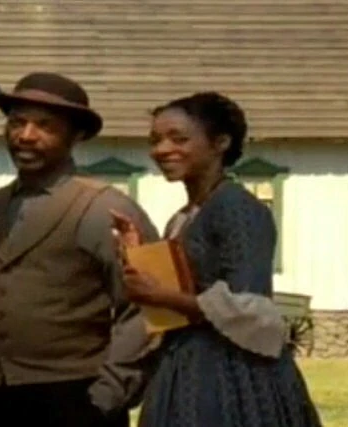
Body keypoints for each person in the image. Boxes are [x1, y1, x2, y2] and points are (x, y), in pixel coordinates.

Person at [0, 72, 159, 427]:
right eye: (17, 122)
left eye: (45, 126)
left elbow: (149, 311)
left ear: (75, 136)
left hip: (69, 392)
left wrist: (107, 395)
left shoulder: (107, 210)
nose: (25, 136)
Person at [110, 91, 322, 426]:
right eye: (155, 140)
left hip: (234, 372)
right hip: (185, 362)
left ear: (220, 142)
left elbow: (250, 307)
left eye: (179, 139)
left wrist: (161, 296)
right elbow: (179, 298)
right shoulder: (185, 216)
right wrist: (137, 255)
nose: (161, 149)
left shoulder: (237, 208)